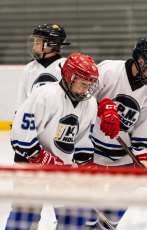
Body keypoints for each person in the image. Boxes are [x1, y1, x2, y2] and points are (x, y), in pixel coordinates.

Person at [6, 52, 120, 229]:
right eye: (83, 84)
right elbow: (20, 135)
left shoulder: (89, 103)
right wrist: (42, 158)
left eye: (90, 84)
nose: (87, 89)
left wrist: (85, 165)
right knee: (24, 218)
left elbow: (82, 140)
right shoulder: (44, 95)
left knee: (72, 220)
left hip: (62, 169)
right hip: (31, 166)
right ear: (70, 77)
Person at [88, 37, 147, 228]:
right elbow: (80, 98)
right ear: (142, 61)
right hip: (93, 151)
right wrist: (101, 106)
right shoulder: (109, 70)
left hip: (123, 156)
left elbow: (146, 125)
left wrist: (143, 154)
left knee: (115, 212)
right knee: (85, 212)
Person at [15, 23, 70, 111]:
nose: (34, 46)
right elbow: (22, 100)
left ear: (51, 44)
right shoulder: (29, 68)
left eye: (38, 42)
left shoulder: (66, 66)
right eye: (34, 41)